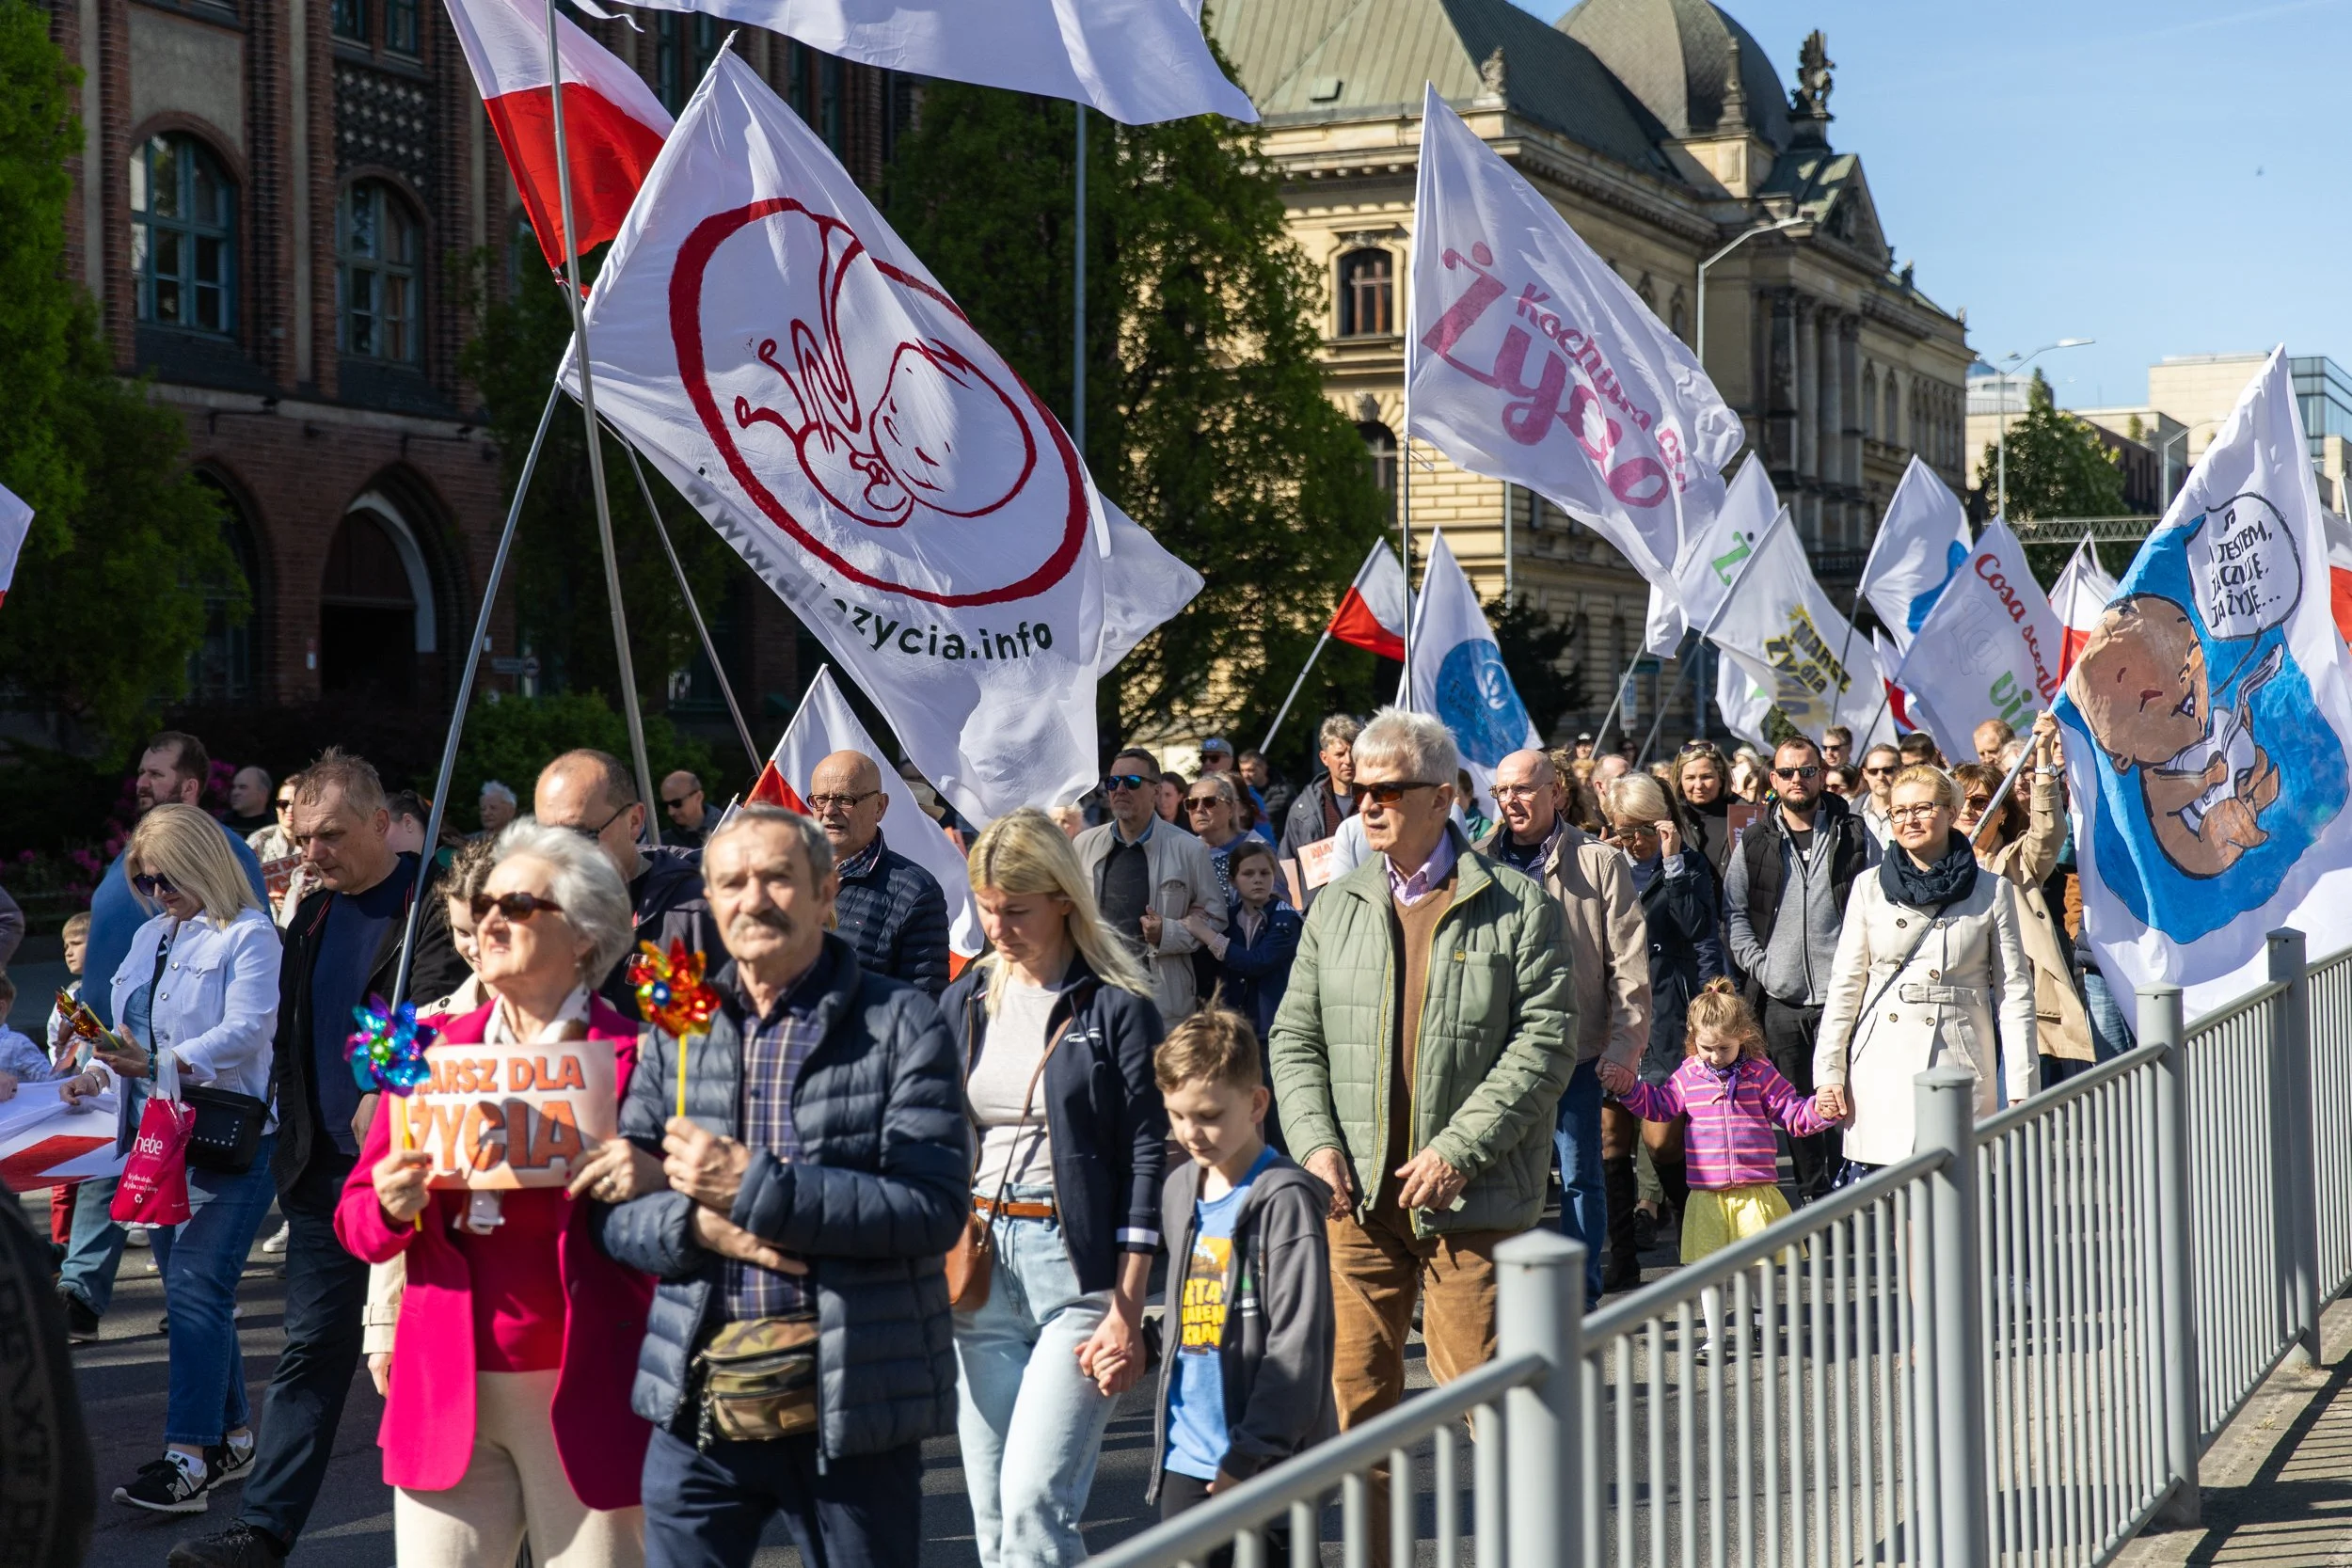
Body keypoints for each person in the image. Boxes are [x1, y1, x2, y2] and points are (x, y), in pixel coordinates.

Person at [587, 805, 966, 1568]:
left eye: (777, 878)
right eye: (731, 881)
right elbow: (619, 1213)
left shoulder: (902, 1022)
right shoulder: (683, 1023)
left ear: (826, 893)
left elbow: (932, 1210)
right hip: (698, 1404)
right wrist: (697, 1228)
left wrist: (755, 1189)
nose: (752, 899)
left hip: (848, 1408)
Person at [1267, 708, 1570, 1568]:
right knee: (1356, 1405)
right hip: (1355, 1203)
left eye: (1387, 789)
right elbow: (1294, 1039)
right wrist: (1317, 1142)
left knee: (1486, 1394)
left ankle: (1530, 1549)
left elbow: (1544, 1044)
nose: (1366, 803)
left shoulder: (1516, 905)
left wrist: (1456, 1150)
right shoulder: (1337, 905)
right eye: (1358, 788)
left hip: (1470, 1201)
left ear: (1444, 797)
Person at [169, 749, 468, 1568]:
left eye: (330, 834)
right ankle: (263, 1530)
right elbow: (294, 1030)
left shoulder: (435, 903)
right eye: (303, 837)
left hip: (418, 1172)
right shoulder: (313, 912)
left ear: (382, 822)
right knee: (310, 1350)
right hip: (325, 1174)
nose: (312, 852)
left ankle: (486, 1534)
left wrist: (384, 1081)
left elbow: (433, 1009)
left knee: (439, 1356)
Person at [338, 821, 653, 1566]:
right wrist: (386, 1201)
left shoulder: (639, 1064)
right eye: (484, 903)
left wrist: (650, 1182)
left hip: (591, 1392)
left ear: (582, 934)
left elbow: (687, 1236)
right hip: (445, 1388)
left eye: (517, 903)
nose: (489, 920)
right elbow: (356, 1220)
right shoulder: (432, 1052)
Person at [940, 808, 1168, 1568]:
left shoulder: (1117, 1006)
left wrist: (1127, 1308)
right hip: (978, 1270)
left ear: (1065, 898)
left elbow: (1146, 1158)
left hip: (1077, 1278)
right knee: (994, 1515)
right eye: (986, 905)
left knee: (1038, 1506)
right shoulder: (968, 999)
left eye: (1016, 908)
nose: (997, 925)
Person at [52, 806, 282, 1513]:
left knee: (193, 1290)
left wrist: (159, 1060)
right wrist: (96, 1069)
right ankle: (234, 1436)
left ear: (203, 861)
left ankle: (189, 1455)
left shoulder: (249, 935)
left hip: (225, 1133)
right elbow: (124, 1028)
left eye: (166, 876)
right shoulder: (152, 933)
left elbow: (244, 1032)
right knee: (196, 1293)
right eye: (145, 880)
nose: (156, 890)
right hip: (159, 1136)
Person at [63, 731, 267, 1344]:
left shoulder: (223, 859)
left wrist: (161, 1057)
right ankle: (87, 1291)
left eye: (156, 773)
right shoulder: (138, 853)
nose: (142, 782)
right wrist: (92, 1048)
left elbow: (248, 1003)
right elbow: (117, 965)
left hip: (191, 1085)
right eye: (142, 772)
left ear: (189, 786)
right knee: (118, 1183)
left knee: (192, 1270)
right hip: (124, 1069)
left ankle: (192, 1317)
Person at [1144, 1006, 1334, 1554]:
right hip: (1185, 1456)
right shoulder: (1180, 1187)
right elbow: (1195, 1309)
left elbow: (1296, 1350)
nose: (1190, 1134)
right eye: (1177, 1116)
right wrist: (1142, 1345)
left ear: (1255, 1104)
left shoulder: (1286, 1202)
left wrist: (1248, 1459)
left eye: (1207, 1115)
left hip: (1263, 1462)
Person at [1472, 747, 1644, 1308]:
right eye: (1502, 792)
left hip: (1576, 1050)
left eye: (1523, 789)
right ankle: (1507, 1298)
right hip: (1495, 1054)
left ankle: (1577, 1297)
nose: (1512, 801)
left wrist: (1624, 1044)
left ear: (1557, 793)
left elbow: (1629, 963)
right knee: (1501, 1180)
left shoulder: (1599, 862)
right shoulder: (1476, 863)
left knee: (1578, 1176)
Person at [1815, 764, 2036, 1171]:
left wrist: (2022, 1083)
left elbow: (2015, 994)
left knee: (1957, 1201)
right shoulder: (1868, 887)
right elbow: (1846, 986)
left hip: (1959, 1059)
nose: (1909, 820)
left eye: (1922, 808)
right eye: (1898, 811)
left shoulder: (1992, 890)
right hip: (1882, 1060)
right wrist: (1829, 1070)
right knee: (1889, 1204)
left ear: (1952, 812)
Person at [1607, 979, 1836, 1354]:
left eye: (1724, 1048)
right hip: (1707, 1193)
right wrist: (1630, 1089)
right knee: (1709, 1272)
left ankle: (1761, 1324)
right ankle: (1715, 1338)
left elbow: (1792, 1112)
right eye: (1706, 1047)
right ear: (1693, 1037)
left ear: (1743, 1036)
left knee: (1759, 1265)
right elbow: (1661, 1107)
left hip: (1754, 1190)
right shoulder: (1687, 1075)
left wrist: (1820, 1112)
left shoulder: (1760, 1072)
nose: (1714, 1056)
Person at [1721, 736, 1872, 1203]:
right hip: (1780, 998)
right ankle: (1813, 1197)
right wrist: (1764, 968)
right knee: (1795, 1106)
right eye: (1786, 772)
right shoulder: (1756, 838)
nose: (1797, 780)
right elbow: (1735, 912)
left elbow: (1878, 902)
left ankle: (1849, 1191)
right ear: (1773, 779)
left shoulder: (1854, 832)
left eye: (1806, 771)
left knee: (1843, 1097)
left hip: (1843, 993)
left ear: (1822, 773)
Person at [1597, 773, 1725, 1287]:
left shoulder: (1687, 865)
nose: (1632, 841)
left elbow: (1699, 930)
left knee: (1662, 1141)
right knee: (1610, 1137)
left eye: (1641, 830)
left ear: (1662, 822)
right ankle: (1623, 1259)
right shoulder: (1603, 863)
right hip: (1611, 1009)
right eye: (1622, 830)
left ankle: (1691, 1240)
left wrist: (1671, 865)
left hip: (1668, 1009)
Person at [1957, 715, 2092, 1085]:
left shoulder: (2017, 860)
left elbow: (2048, 829)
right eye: (1961, 802)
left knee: (2022, 1112)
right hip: (1961, 1008)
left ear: (2001, 813)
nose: (1970, 810)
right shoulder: (1938, 870)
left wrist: (2044, 753)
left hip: (2018, 1005)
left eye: (1981, 801)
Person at [535, 750, 711, 1019]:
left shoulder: (698, 908)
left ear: (634, 822)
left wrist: (619, 1032)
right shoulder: (529, 905)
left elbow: (725, 1039)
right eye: (546, 837)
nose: (561, 851)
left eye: (580, 834)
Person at [1075, 748, 1224, 1025]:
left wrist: (1167, 932)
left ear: (1155, 791)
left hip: (1162, 1002)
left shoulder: (1189, 849)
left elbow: (1215, 919)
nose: (1119, 789)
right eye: (1112, 782)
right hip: (1098, 994)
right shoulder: (1083, 845)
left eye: (1131, 782)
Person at [1182, 838, 1300, 1147]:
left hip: (1273, 1031)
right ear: (1233, 880)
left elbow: (1256, 962)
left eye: (1264, 873)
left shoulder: (1285, 917)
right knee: (1236, 1111)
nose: (1258, 880)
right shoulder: (1228, 918)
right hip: (1237, 1032)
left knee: (1278, 1116)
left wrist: (1207, 934)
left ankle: (1284, 1179)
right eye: (1248, 874)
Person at [807, 749, 952, 997]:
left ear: (879, 806)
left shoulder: (915, 893)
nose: (829, 810)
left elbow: (921, 1007)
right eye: (820, 799)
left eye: (844, 799)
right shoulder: (785, 877)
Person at [1277, 715, 1362, 900]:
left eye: (1353, 753)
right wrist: (1296, 913)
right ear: (1324, 758)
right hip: (1320, 912)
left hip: (1367, 907)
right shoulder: (1303, 808)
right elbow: (1287, 864)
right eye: (1340, 754)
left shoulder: (1377, 799)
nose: (1348, 760)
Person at [1183, 774, 1254, 902]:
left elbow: (1277, 901)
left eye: (1209, 802)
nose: (1199, 809)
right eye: (1192, 803)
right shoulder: (1184, 853)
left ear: (1231, 809)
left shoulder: (1255, 847)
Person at [1674, 743, 1738, 882]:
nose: (1698, 785)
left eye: (1706, 777)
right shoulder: (1670, 818)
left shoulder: (1746, 815)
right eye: (1690, 778)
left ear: (1721, 778)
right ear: (1680, 781)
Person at [1856, 744, 1901, 847]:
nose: (1880, 777)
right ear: (1865, 773)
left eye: (1888, 770)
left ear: (1900, 770)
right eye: (1873, 771)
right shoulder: (1851, 813)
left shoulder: (1913, 814)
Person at [246, 777, 299, 863]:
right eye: (283, 804)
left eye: (297, 804)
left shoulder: (322, 843)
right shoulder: (258, 842)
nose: (289, 809)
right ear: (277, 807)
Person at [1238, 750, 1292, 830]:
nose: (1245, 775)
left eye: (1251, 770)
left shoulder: (1283, 793)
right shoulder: (1240, 792)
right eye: (1242, 770)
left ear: (1263, 768)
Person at [660, 770, 708, 849]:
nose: (670, 812)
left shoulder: (726, 831)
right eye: (665, 805)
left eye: (676, 803)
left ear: (698, 797)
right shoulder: (662, 841)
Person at [225, 766, 275, 838]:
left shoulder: (278, 829)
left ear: (263, 793)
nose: (235, 792)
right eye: (233, 787)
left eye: (243, 787)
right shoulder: (221, 826)